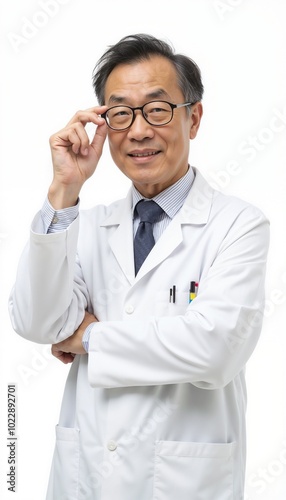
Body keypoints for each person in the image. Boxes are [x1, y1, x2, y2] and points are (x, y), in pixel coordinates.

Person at [9, 33, 269, 500]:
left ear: (194, 118)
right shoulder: (84, 225)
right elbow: (35, 320)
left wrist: (87, 337)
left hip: (185, 483)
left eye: (157, 109)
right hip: (84, 475)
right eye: (120, 113)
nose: (140, 131)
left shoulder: (238, 225)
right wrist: (63, 193)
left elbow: (214, 350)